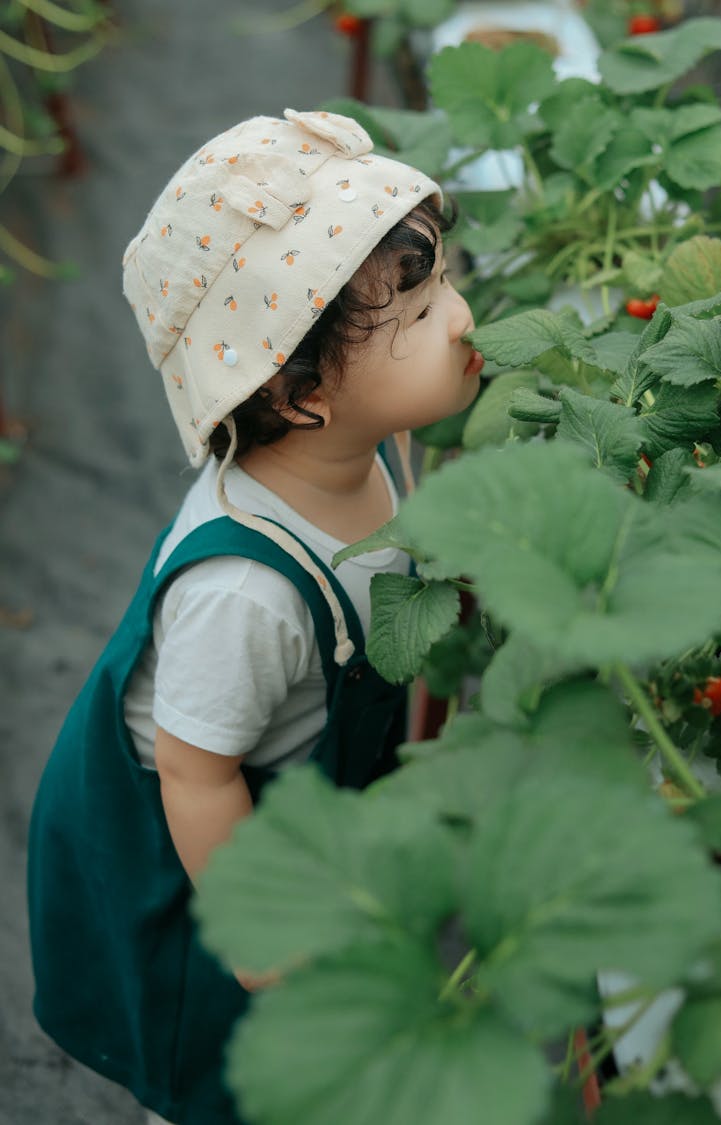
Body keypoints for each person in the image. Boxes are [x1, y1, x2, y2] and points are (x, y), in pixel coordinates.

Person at [27, 108, 483, 1125]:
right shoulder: (244, 594)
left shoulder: (368, 453)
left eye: (443, 282)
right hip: (207, 861)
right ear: (301, 390)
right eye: (414, 320)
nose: (458, 319)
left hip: (298, 795)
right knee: (233, 1078)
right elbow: (196, 773)